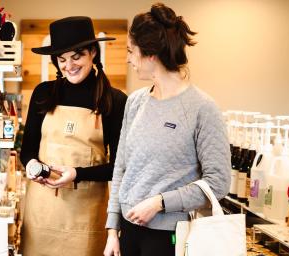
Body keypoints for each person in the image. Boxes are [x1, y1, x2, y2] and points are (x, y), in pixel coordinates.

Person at [103, 3, 231, 256]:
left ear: (151, 54)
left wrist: (160, 203)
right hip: (128, 234)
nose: (129, 59)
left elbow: (218, 182)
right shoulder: (136, 101)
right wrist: (111, 230)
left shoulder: (202, 108)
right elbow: (121, 168)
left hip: (169, 236)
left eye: (131, 51)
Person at [20, 16, 128, 256]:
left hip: (85, 220)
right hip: (41, 218)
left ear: (92, 53)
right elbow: (27, 151)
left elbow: (120, 167)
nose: (69, 65)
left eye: (76, 56)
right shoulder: (43, 93)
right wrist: (31, 165)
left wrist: (77, 174)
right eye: (62, 59)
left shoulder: (114, 100)